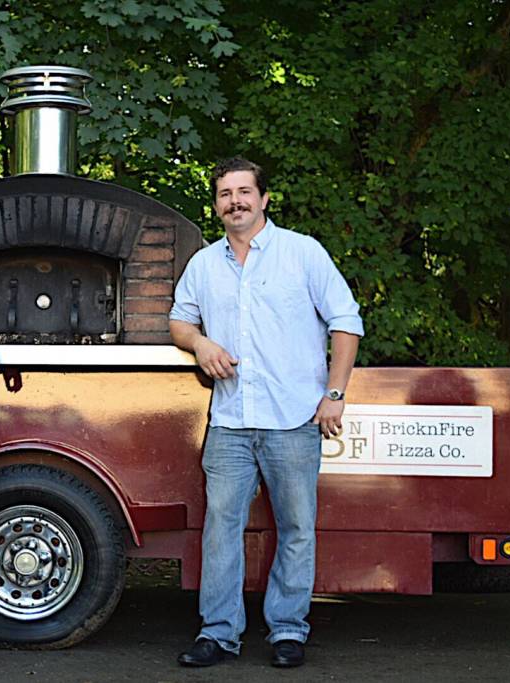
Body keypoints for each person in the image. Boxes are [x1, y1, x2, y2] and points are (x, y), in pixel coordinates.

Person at [170, 157, 363, 668]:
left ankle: (287, 632)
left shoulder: (303, 253)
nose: (235, 201)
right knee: (220, 529)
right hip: (230, 423)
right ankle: (218, 633)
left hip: (295, 419)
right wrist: (201, 343)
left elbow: (346, 323)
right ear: (216, 205)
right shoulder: (204, 264)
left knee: (296, 528)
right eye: (225, 194)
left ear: (264, 198)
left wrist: (335, 394)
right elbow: (178, 322)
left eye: (243, 192)